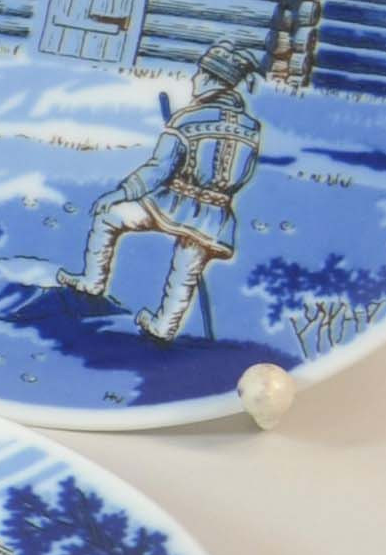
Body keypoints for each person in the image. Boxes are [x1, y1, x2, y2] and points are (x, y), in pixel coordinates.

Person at [68, 41, 269, 343]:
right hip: (215, 214)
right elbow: (244, 174)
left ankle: (93, 282)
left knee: (110, 216)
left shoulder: (187, 119)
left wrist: (122, 192)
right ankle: (164, 327)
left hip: (170, 202)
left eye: (199, 73)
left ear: (212, 79)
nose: (194, 79)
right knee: (185, 272)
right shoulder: (252, 127)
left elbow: (158, 169)